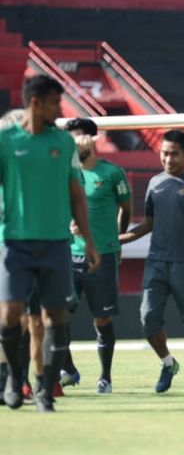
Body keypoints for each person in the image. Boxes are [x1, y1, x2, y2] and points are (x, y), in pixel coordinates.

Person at [0, 74, 99, 412]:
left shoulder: (64, 143)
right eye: (56, 103)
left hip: (56, 243)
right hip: (14, 242)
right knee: (11, 313)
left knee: (54, 316)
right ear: (35, 102)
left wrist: (88, 240)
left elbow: (76, 194)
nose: (59, 110)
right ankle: (15, 379)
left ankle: (44, 390)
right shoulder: (5, 140)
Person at [120, 130, 184, 393]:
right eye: (164, 153)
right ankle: (168, 363)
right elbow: (148, 223)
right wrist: (119, 239)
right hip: (157, 262)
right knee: (148, 319)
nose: (168, 158)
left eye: (173, 153)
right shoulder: (154, 183)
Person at [59, 118, 132, 394]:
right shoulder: (61, 173)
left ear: (93, 140)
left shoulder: (112, 173)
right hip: (67, 254)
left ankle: (105, 377)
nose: (76, 143)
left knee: (102, 319)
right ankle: (68, 369)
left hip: (103, 255)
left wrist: (117, 238)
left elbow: (125, 208)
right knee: (58, 315)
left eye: (80, 137)